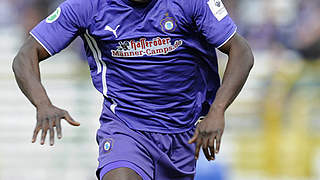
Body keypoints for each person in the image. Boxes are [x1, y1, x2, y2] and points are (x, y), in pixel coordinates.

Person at [12, 0, 254, 179]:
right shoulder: (88, 7)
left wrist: (217, 111)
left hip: (182, 133)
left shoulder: (192, 3)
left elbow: (241, 51)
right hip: (126, 126)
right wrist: (42, 103)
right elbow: (26, 54)